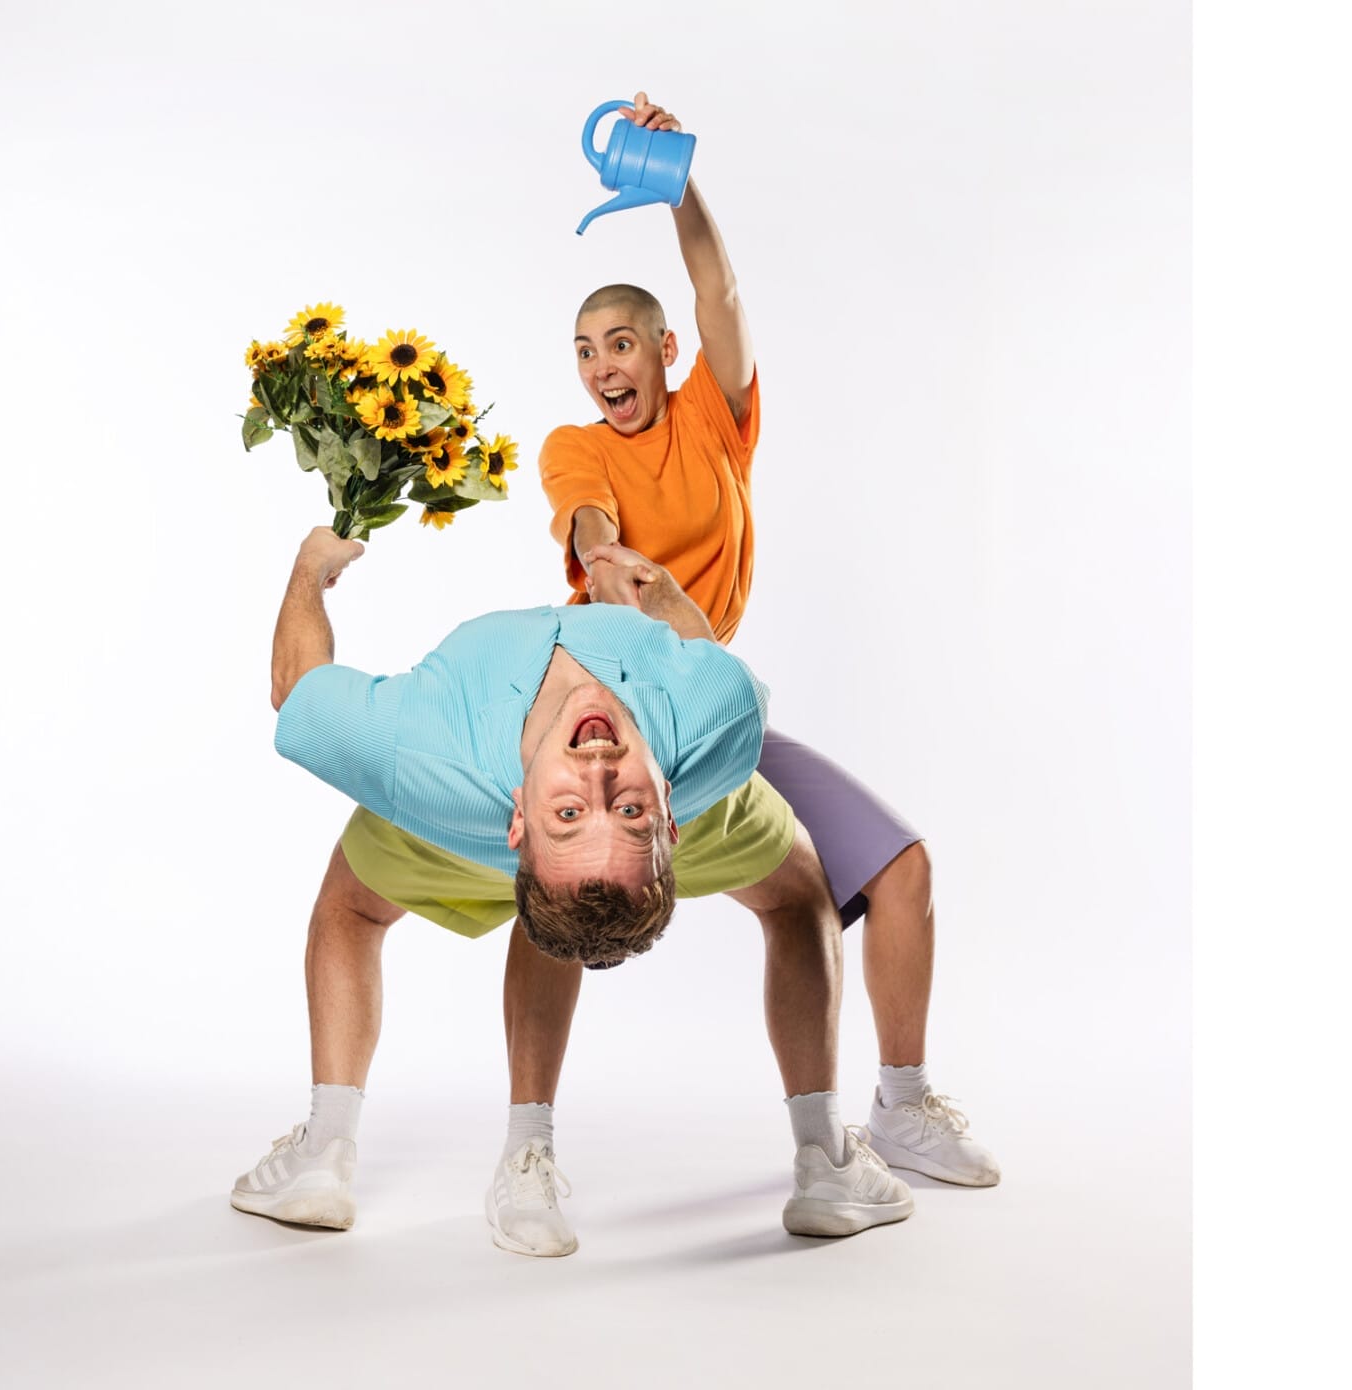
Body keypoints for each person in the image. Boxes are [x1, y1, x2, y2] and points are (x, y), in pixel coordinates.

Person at [535, 93, 1002, 1194]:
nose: (602, 367)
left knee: (898, 870)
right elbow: (587, 525)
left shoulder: (715, 418)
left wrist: (676, 185)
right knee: (554, 901)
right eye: (584, 352)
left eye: (619, 344)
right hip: (607, 711)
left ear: (663, 351)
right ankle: (526, 1146)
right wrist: (610, 563)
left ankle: (897, 1108)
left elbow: (722, 292)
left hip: (708, 704)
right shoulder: (575, 445)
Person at [233, 526, 912, 1251]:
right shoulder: (722, 720)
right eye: (627, 810)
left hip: (452, 799)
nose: (596, 771)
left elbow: (295, 686)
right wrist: (659, 598)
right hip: (616, 786)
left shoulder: (417, 753)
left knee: (352, 908)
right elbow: (701, 655)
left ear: (519, 822)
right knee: (799, 890)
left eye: (569, 813)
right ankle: (828, 1160)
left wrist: (312, 566)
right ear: (667, 817)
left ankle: (325, 1154)